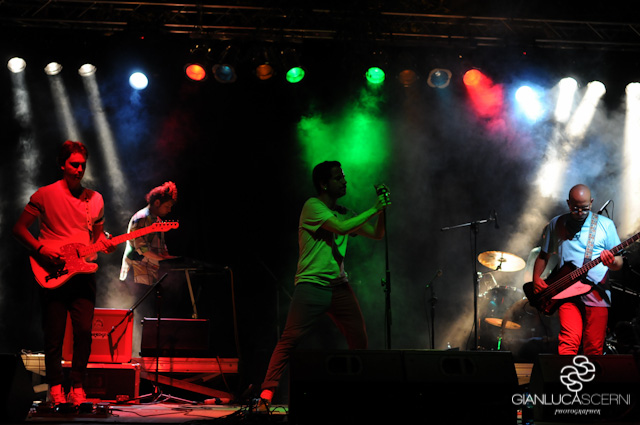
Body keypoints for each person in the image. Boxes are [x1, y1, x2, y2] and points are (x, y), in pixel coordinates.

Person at [258, 161, 390, 408]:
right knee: (289, 340)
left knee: (359, 339)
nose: (344, 181)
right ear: (324, 184)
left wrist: (382, 211)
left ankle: (359, 396)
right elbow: (340, 227)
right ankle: (266, 395)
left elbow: (377, 234)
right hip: (311, 285)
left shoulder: (345, 211)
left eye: (343, 177)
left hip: (339, 287)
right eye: (338, 178)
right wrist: (374, 208)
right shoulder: (313, 206)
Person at [13, 141, 115, 406]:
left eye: (82, 165)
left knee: (84, 332)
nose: (79, 169)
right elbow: (19, 229)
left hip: (83, 274)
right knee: (54, 334)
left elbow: (96, 239)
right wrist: (41, 250)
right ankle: (56, 387)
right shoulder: (44, 195)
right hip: (53, 272)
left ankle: (77, 386)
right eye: (74, 164)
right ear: (62, 165)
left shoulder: (95, 199)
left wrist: (105, 243)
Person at [532, 184, 623, 355]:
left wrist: (611, 262)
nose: (580, 212)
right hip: (566, 293)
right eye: (575, 209)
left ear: (591, 202)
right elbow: (544, 255)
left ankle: (590, 373)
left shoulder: (606, 225)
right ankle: (565, 373)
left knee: (594, 347)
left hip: (597, 293)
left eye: (585, 208)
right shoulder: (556, 223)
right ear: (568, 203)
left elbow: (619, 262)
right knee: (568, 342)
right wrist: (536, 277)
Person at [119, 182, 178, 356]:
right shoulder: (141, 218)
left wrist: (169, 257)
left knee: (149, 314)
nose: (169, 210)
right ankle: (134, 355)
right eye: (167, 206)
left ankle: (147, 352)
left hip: (148, 273)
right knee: (140, 314)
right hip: (137, 273)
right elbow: (142, 249)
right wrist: (164, 258)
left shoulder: (157, 221)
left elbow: (160, 248)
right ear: (157, 202)